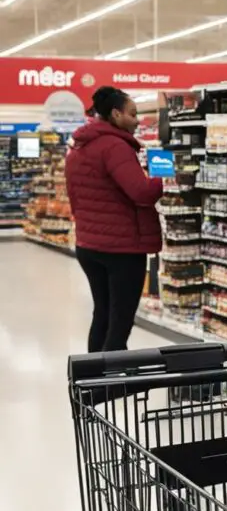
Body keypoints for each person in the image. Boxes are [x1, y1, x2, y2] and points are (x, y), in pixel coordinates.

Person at [66, 86, 163, 352]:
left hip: (88, 245)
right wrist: (160, 176)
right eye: (132, 114)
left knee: (103, 314)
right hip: (120, 249)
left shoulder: (80, 146)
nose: (137, 120)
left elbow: (74, 195)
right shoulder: (115, 147)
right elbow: (141, 193)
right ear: (115, 114)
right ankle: (110, 382)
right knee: (119, 322)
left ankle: (90, 380)